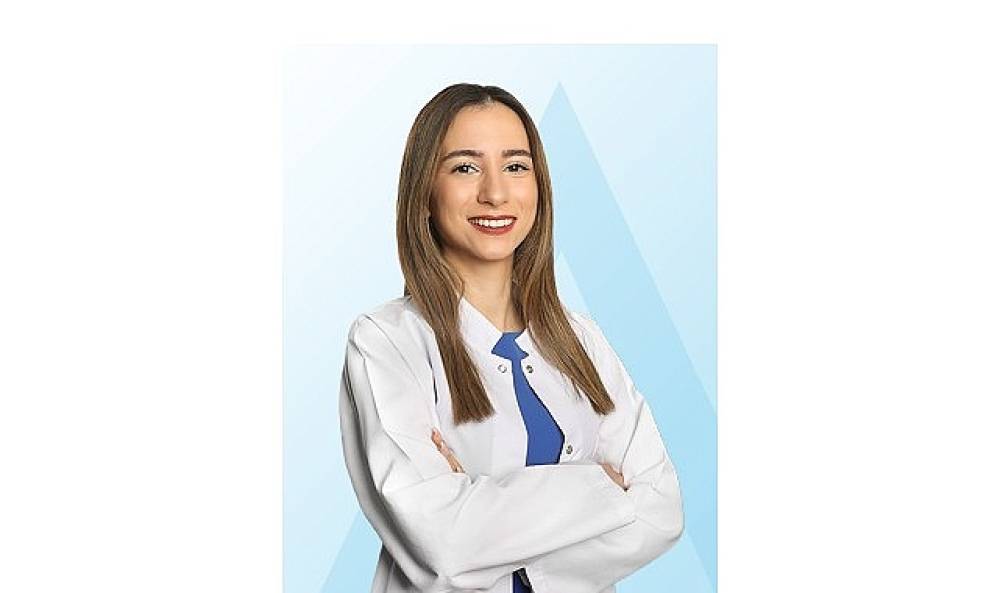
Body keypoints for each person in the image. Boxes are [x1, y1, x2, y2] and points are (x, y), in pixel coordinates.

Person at [339, 83, 684, 593]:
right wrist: (599, 487)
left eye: (516, 166)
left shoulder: (581, 339)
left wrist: (486, 519)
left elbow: (661, 511)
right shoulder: (386, 341)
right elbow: (443, 545)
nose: (496, 193)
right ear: (424, 192)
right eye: (465, 167)